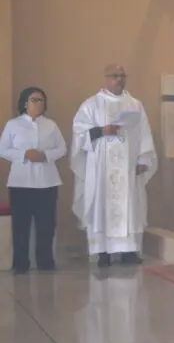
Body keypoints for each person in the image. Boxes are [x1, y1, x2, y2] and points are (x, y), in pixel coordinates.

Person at [71, 65, 158, 267]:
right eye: (115, 76)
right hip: (101, 168)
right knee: (101, 204)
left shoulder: (135, 105)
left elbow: (144, 133)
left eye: (122, 76)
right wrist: (102, 131)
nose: (119, 79)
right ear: (106, 78)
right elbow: (79, 134)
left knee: (130, 205)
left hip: (128, 166)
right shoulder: (91, 105)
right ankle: (102, 251)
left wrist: (143, 160)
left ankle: (129, 250)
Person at [0, 87, 66, 272]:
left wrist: (45, 155)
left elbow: (62, 148)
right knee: (21, 224)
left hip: (47, 182)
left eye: (41, 100)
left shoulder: (50, 125)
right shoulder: (14, 124)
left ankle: (45, 261)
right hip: (21, 183)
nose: (38, 104)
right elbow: (3, 149)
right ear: (25, 103)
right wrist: (24, 154)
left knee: (46, 224)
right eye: (34, 100)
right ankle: (21, 263)